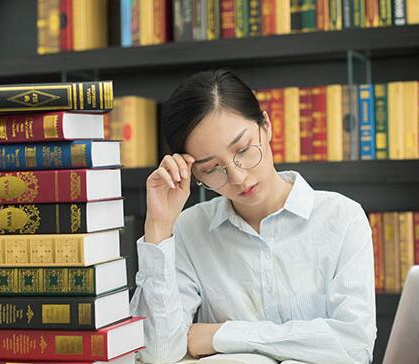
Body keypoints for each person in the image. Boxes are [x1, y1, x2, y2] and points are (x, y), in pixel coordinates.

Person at [130, 69, 377, 364]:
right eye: (211, 169)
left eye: (244, 150)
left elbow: (354, 347)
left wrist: (222, 335)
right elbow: (156, 354)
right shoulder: (190, 230)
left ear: (266, 125)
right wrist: (158, 226)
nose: (238, 177)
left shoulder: (342, 218)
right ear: (193, 174)